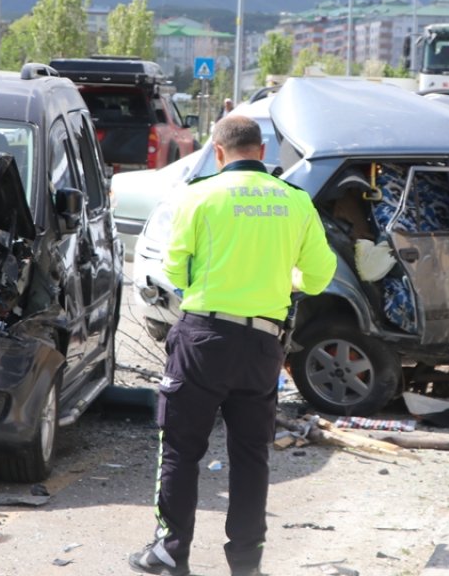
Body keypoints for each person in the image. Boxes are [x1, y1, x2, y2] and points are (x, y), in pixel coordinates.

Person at [129, 116, 336, 576]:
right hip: (263, 344)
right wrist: (284, 279)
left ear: (218, 153)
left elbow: (174, 269)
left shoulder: (198, 195)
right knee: (251, 456)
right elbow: (319, 277)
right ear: (261, 152)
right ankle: (246, 562)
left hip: (203, 338)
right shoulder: (295, 200)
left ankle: (170, 551)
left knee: (181, 447)